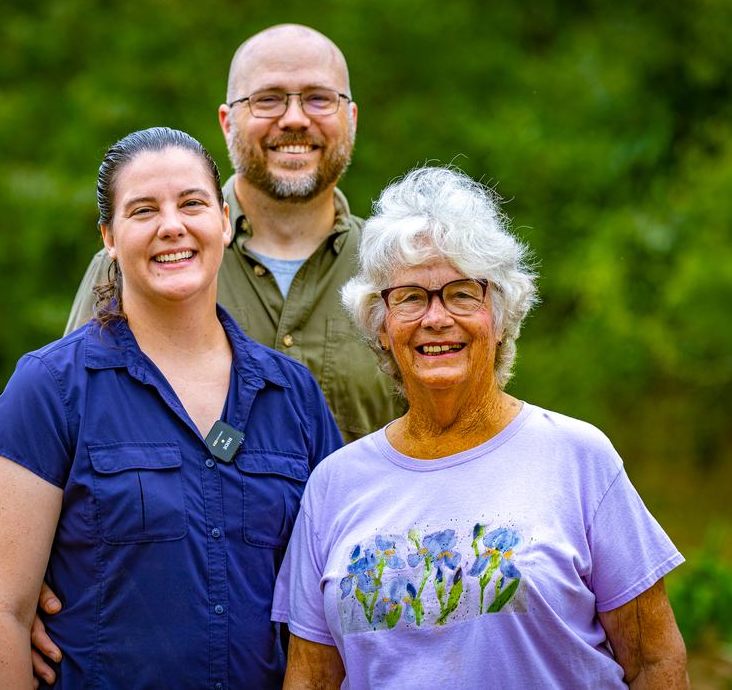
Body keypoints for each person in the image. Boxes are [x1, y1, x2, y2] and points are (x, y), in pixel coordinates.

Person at [272, 166, 689, 688]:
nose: (436, 317)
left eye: (462, 293)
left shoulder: (577, 457)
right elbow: (311, 679)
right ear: (380, 326)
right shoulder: (334, 484)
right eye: (409, 297)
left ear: (500, 312)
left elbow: (654, 660)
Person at [0, 127, 342, 689]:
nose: (172, 225)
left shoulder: (295, 396)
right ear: (109, 238)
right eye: (143, 210)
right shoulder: (48, 388)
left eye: (192, 203)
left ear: (224, 220)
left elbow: (336, 597)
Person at [64, 24, 405, 444]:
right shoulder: (136, 265)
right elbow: (71, 430)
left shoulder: (399, 272)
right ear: (227, 121)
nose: (295, 119)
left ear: (350, 118)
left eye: (319, 98)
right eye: (268, 99)